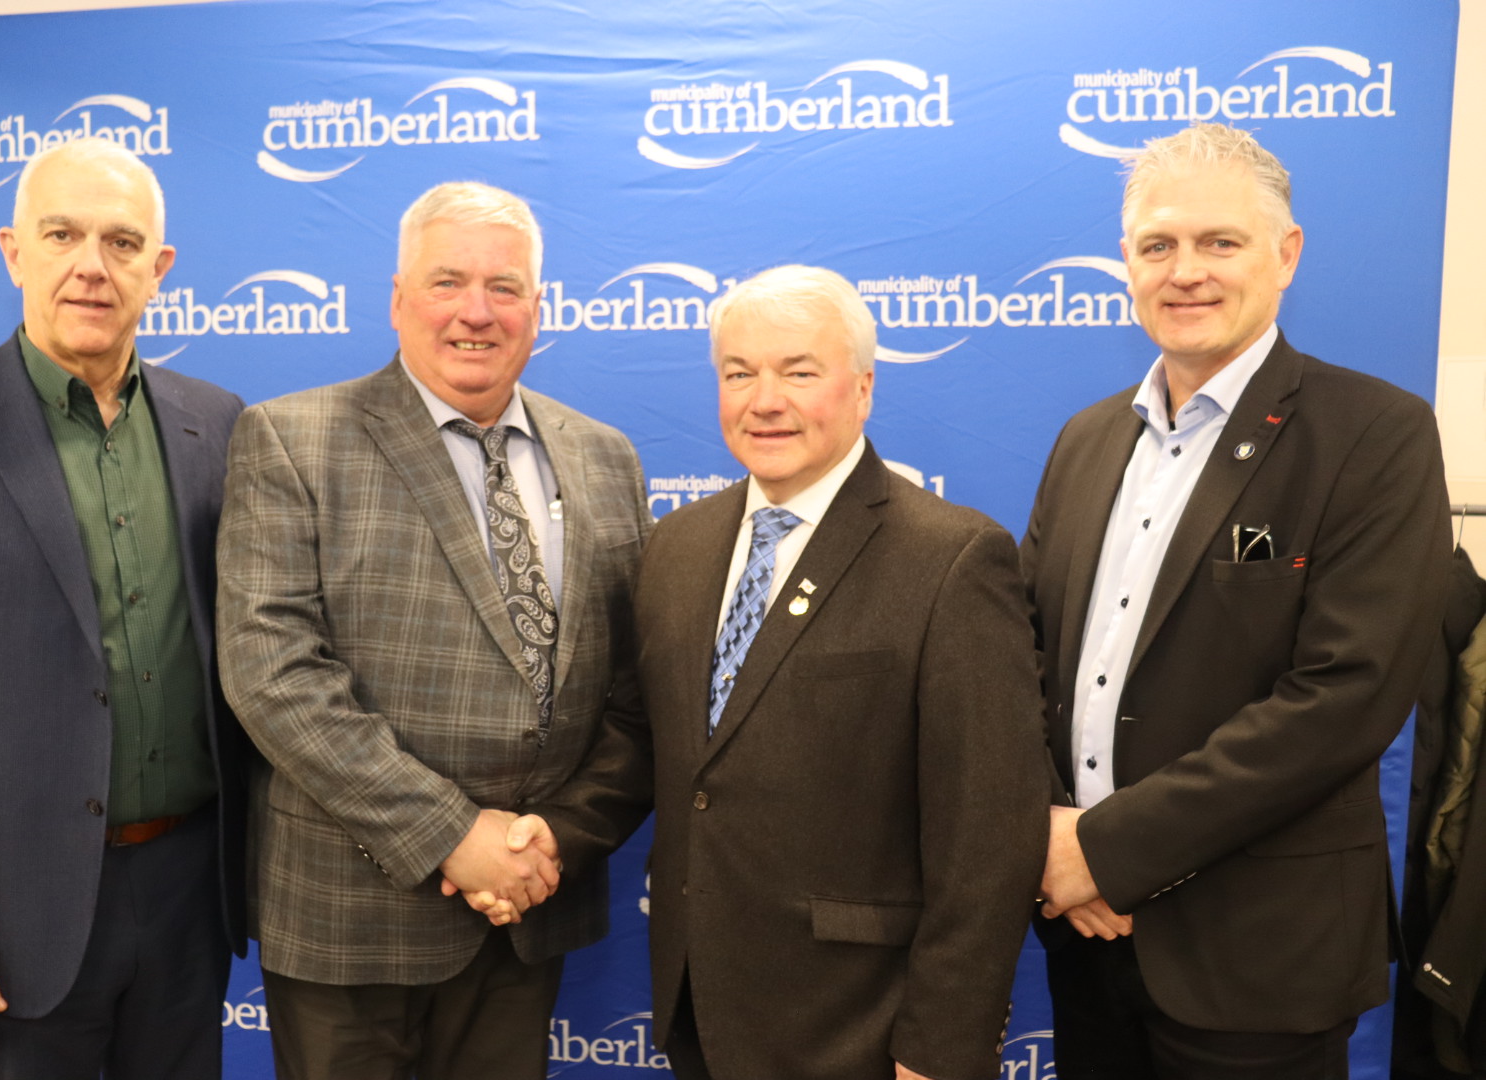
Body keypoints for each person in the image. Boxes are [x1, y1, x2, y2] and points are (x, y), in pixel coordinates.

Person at [480, 265, 1049, 1080]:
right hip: (700, 1008)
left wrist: (942, 1047)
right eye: (739, 373)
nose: (764, 400)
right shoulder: (678, 547)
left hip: (862, 1026)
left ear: (863, 388)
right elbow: (648, 740)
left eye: (799, 372)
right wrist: (557, 835)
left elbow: (988, 833)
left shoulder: (952, 559)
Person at [1023, 122, 1451, 1078]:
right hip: (1086, 937)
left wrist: (1104, 851)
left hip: (1259, 957)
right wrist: (1051, 836)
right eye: (1158, 246)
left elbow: (1344, 698)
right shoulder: (1085, 441)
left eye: (1220, 242)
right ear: (1126, 263)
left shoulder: (1375, 435)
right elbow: (1020, 659)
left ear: (1286, 254)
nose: (1186, 273)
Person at [215, 180, 651, 1080]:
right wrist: (456, 836)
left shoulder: (606, 458)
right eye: (447, 282)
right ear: (398, 299)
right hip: (350, 918)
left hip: (527, 910)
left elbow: (637, 687)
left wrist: (548, 844)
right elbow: (274, 673)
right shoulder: (291, 438)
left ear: (538, 306)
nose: (475, 312)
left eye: (503, 287)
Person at [0, 136, 248, 1079]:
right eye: (62, 234)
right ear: (13, 252)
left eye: (122, 242)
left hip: (189, 896)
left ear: (158, 268)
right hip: (7, 913)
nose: (91, 266)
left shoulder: (220, 424)